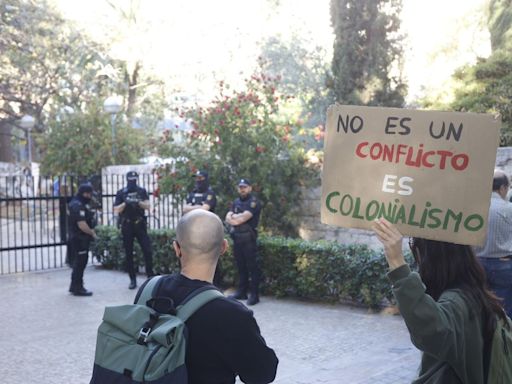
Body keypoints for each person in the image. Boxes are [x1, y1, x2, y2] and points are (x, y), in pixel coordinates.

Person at [136, 210, 278, 384]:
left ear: (176, 247)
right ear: (224, 247)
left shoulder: (150, 289)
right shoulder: (233, 315)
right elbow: (262, 374)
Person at [372, 218, 507, 384]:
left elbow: (431, 330)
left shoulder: (458, 301)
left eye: (417, 252)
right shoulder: (474, 294)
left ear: (432, 259)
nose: (418, 263)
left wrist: (397, 261)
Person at [474, 169, 512, 318]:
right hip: (504, 265)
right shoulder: (509, 209)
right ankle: (503, 339)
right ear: (502, 188)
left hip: (477, 265)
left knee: (480, 306)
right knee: (504, 310)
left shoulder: (475, 209)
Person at [114, 171, 154, 289]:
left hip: (140, 224)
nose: (133, 181)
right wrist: (126, 203)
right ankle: (132, 279)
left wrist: (138, 202)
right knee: (129, 253)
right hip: (127, 225)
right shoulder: (121, 192)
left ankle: (150, 277)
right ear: (127, 179)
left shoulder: (141, 191)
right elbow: (116, 209)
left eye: (134, 179)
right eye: (131, 179)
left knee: (147, 251)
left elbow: (148, 205)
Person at [225, 178, 262, 305]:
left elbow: (241, 219)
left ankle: (255, 295)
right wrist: (235, 217)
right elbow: (228, 218)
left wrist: (235, 217)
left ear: (250, 188)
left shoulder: (254, 202)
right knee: (241, 267)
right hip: (237, 238)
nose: (242, 189)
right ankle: (242, 292)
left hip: (249, 240)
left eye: (245, 187)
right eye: (240, 187)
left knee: (252, 267)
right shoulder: (236, 202)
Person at [68, 183, 97, 296]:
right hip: (79, 238)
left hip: (80, 238)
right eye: (89, 194)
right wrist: (92, 233)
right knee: (80, 263)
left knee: (79, 263)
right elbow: (81, 224)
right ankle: (78, 287)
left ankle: (74, 286)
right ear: (85, 193)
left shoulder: (77, 203)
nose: (90, 197)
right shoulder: (77, 205)